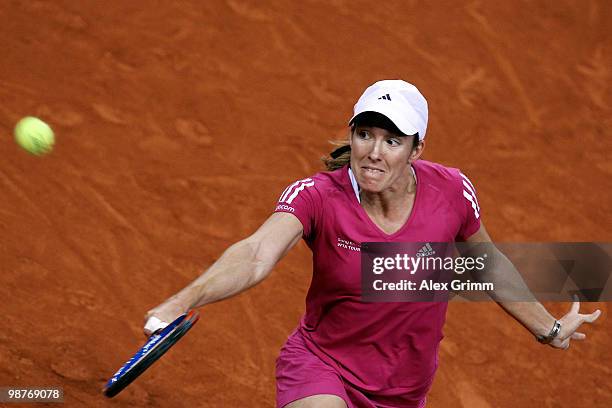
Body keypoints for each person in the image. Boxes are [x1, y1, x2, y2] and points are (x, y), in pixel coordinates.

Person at [144, 80, 602, 408]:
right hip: (323, 367)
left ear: (416, 150)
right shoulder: (318, 196)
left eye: (392, 141)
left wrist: (548, 327)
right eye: (365, 135)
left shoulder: (452, 192)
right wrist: (184, 298)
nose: (374, 152)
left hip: (404, 390)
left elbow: (487, 265)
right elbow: (257, 252)